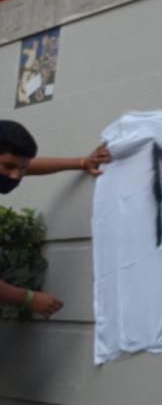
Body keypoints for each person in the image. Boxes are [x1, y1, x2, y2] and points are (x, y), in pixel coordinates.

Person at [0, 119, 111, 317]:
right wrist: (28, 298)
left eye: (22, 169)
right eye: (8, 167)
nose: (16, 176)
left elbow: (27, 165)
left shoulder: (12, 167)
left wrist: (82, 163)